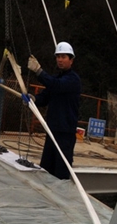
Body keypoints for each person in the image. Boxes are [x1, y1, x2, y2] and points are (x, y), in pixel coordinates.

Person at [27, 41, 81, 180]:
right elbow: (45, 97)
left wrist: (39, 71)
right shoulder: (57, 78)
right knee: (46, 168)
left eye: (63, 57)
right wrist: (33, 99)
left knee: (61, 172)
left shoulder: (73, 80)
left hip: (65, 134)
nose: (60, 60)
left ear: (71, 60)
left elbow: (55, 86)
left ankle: (61, 199)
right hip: (52, 131)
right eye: (58, 56)